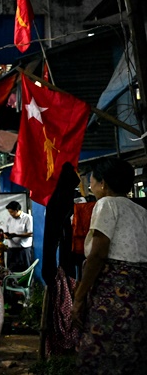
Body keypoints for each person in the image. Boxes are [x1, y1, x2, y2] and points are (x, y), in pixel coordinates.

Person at [71, 158, 147, 374]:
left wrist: (79, 296)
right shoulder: (140, 211)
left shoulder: (106, 204)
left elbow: (98, 254)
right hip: (140, 289)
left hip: (114, 289)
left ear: (103, 183)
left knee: (101, 353)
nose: (90, 185)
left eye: (92, 181)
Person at [2, 201, 33, 272]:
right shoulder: (8, 219)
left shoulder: (27, 218)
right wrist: (6, 235)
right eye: (9, 212)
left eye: (12, 212)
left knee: (25, 271)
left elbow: (30, 233)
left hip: (23, 250)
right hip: (11, 249)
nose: (11, 214)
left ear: (17, 210)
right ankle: (12, 283)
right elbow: (5, 232)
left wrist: (16, 235)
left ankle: (25, 283)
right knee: (11, 271)